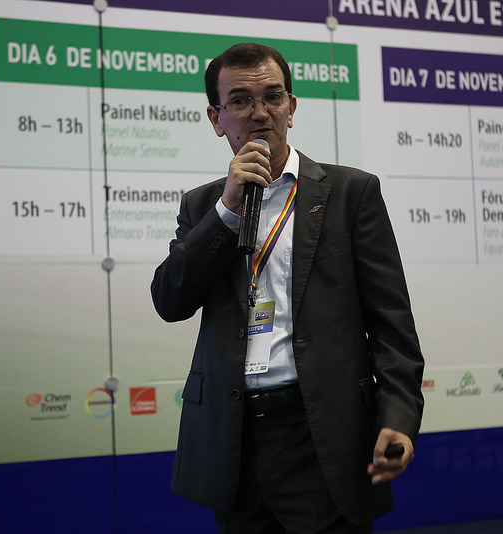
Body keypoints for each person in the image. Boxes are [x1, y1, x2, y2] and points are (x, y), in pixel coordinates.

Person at [151, 43, 424, 533]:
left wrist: (399, 416)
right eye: (240, 101)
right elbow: (170, 301)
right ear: (216, 118)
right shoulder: (203, 206)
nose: (260, 113)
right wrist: (226, 213)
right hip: (233, 441)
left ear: (291, 108)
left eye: (273, 97)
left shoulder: (350, 194)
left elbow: (392, 324)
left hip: (320, 433)